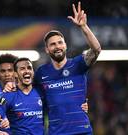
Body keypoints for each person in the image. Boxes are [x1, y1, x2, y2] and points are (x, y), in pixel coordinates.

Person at [35, 2, 101, 135]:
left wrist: (83, 26)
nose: (57, 46)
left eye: (60, 42)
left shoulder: (78, 64)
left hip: (82, 131)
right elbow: (30, 95)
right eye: (52, 44)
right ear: (47, 50)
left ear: (65, 45)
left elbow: (96, 50)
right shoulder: (41, 73)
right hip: (57, 132)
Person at [0, 58, 44, 135]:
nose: (27, 71)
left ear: (33, 72)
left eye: (29, 68)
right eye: (22, 69)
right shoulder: (6, 96)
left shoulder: (41, 91)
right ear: (16, 74)